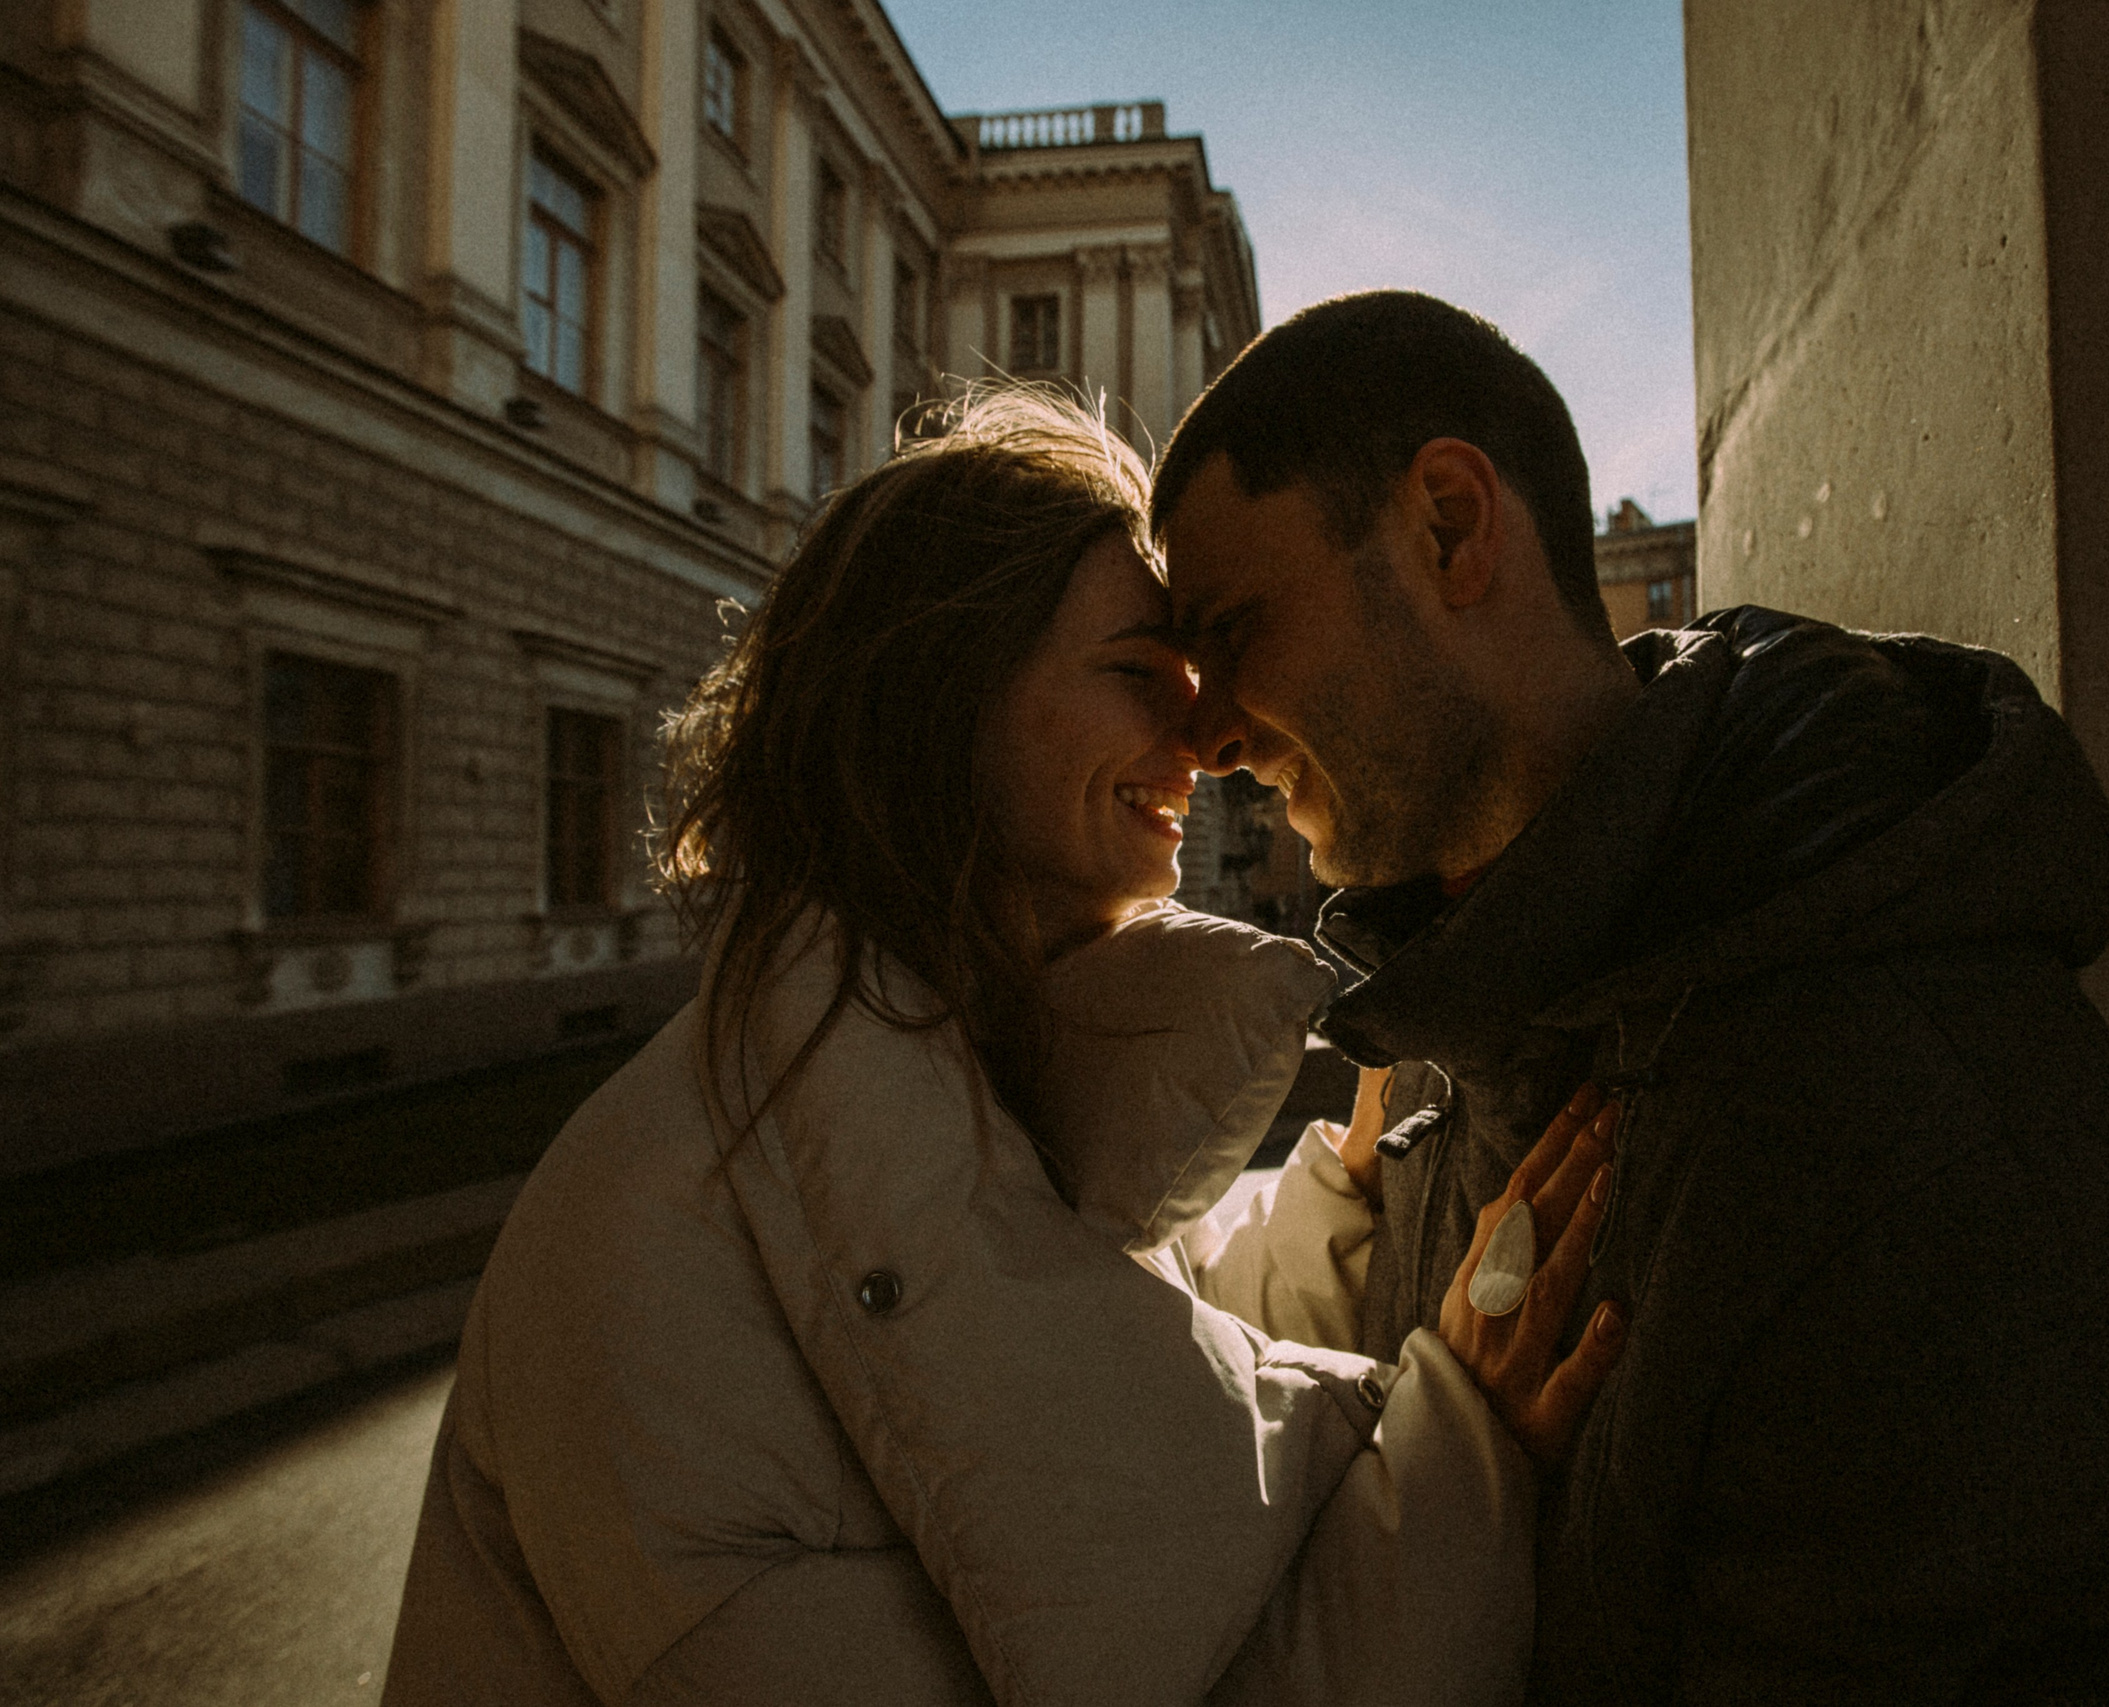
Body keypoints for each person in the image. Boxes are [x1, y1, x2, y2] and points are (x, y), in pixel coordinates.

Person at [1151, 290, 2109, 1706]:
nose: (1203, 737)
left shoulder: (1906, 1118)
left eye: (1234, 631)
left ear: (1450, 529)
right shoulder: (1461, 1040)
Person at [379, 388, 1624, 1707]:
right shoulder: (649, 1243)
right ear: (943, 698)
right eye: (1139, 672)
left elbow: (1108, 1407)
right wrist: (1459, 1477)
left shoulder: (970, 1078)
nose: (1205, 737)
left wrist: (1339, 1202)